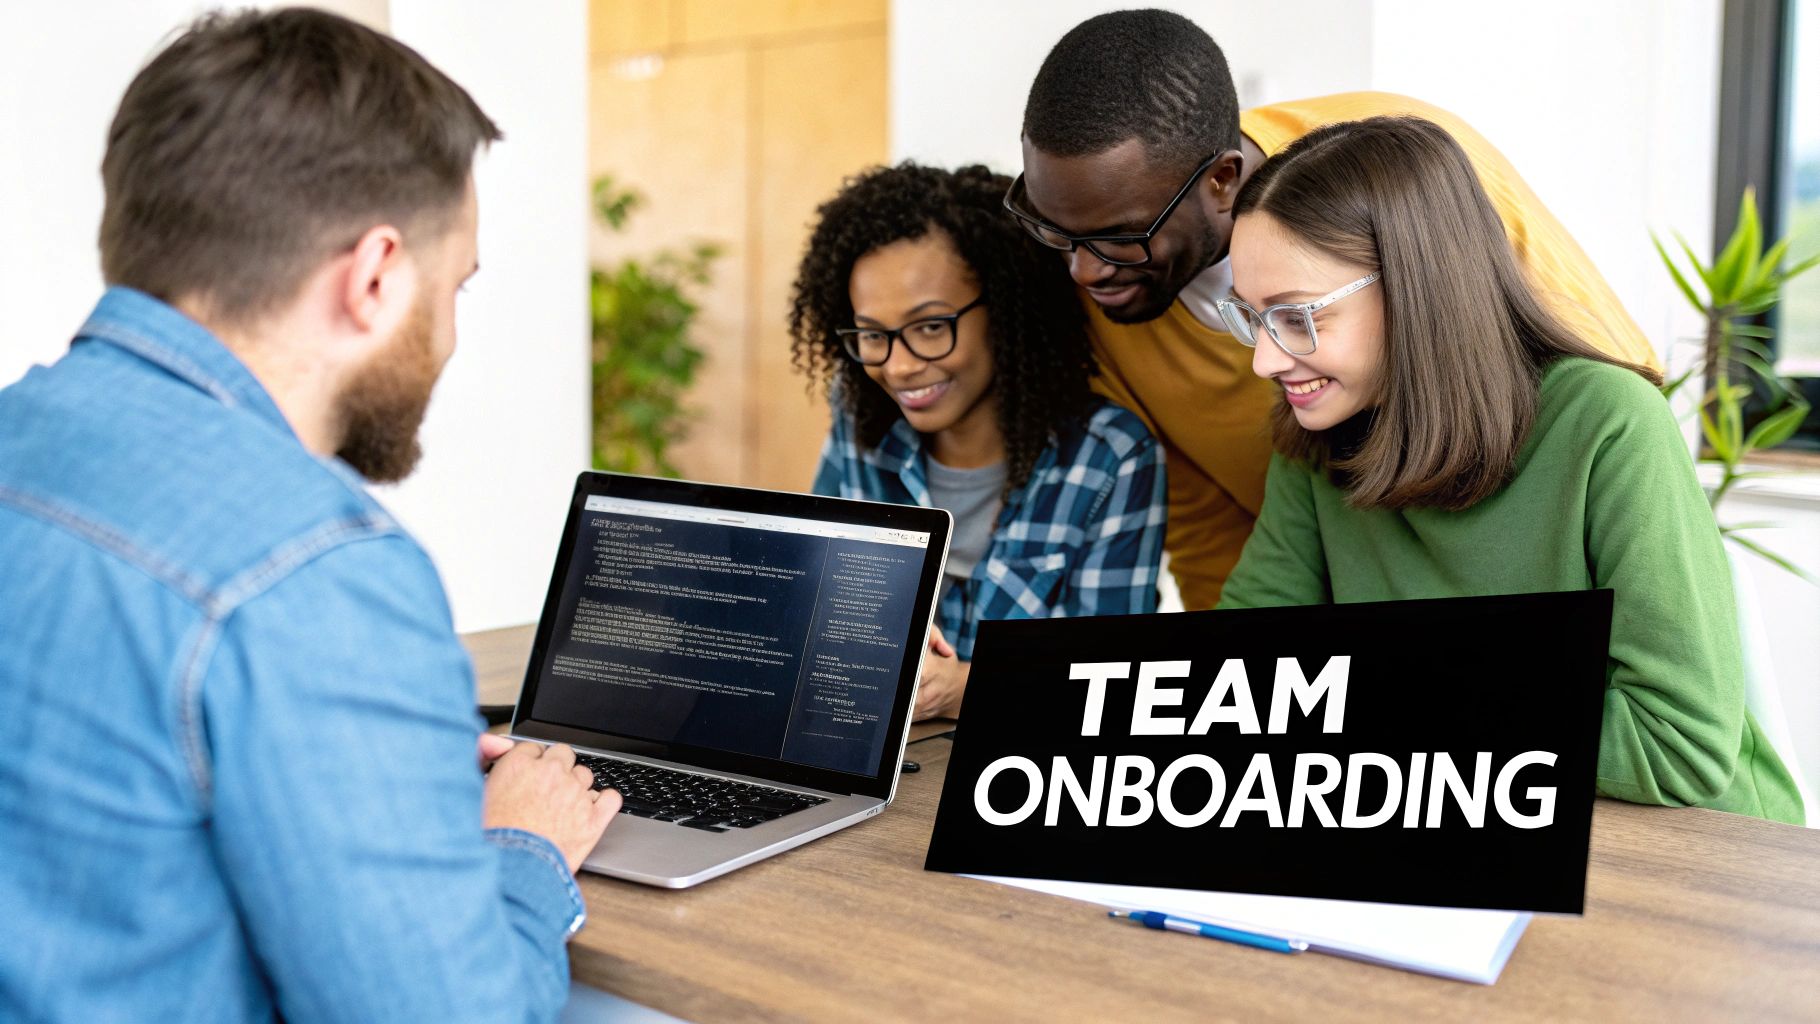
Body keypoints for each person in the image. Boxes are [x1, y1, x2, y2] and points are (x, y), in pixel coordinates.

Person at [0, 10, 622, 1021]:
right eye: (454, 284)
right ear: (375, 275)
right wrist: (522, 843)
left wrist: (389, 774)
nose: (453, 331)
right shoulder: (315, 568)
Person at [1212, 115, 1803, 825]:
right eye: (1252, 318)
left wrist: (1374, 698)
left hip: (1688, 857)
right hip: (1475, 820)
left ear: (1414, 286)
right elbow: (1241, 687)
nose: (1266, 359)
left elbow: (1675, 747)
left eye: (1297, 316)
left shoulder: (1608, 423)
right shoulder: (1315, 438)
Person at [1007, 9, 1661, 609]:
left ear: (1223, 181)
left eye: (1123, 237)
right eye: (1054, 230)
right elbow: (1212, 541)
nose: (1084, 269)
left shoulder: (1406, 167)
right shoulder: (1303, 450)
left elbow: (1599, 377)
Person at [792, 163, 1167, 721]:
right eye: (873, 335)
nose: (898, 366)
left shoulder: (1110, 457)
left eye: (930, 327)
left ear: (1007, 309)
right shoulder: (859, 421)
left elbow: (1110, 684)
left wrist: (966, 686)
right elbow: (812, 608)